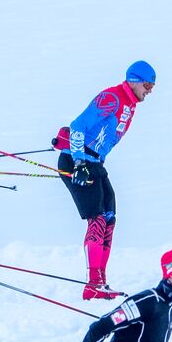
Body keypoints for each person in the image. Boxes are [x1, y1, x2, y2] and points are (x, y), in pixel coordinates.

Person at [56, 60, 157, 301]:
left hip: (95, 163)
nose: (150, 90)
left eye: (152, 87)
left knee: (110, 218)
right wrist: (79, 162)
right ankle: (92, 283)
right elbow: (78, 126)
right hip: (77, 161)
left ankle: (100, 281)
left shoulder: (130, 106)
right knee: (97, 218)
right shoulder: (111, 98)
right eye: (147, 84)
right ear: (134, 80)